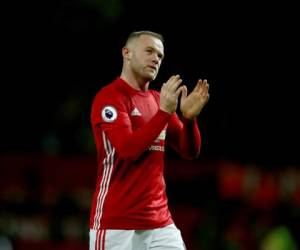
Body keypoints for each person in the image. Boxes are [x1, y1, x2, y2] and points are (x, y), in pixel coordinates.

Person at [89, 30, 209, 250]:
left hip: (160, 223)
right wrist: (164, 113)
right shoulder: (110, 97)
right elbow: (128, 150)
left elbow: (189, 151)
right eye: (149, 51)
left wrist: (189, 120)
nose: (156, 59)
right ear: (127, 53)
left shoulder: (157, 100)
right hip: (117, 224)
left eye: (160, 56)